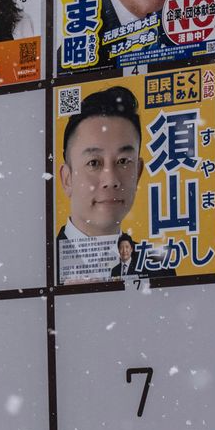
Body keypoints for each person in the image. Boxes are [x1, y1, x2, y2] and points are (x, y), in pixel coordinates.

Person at [55, 86, 142, 285]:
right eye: (94, 163)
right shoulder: (38, 264)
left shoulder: (157, 266)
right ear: (67, 178)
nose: (111, 179)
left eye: (123, 161)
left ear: (138, 172)